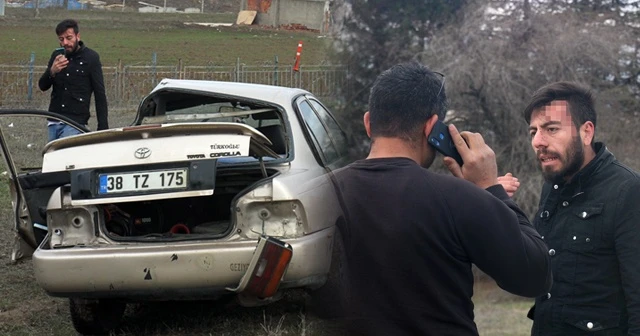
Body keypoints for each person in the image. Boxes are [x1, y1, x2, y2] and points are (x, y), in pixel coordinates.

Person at [329, 62, 552, 336]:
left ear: (368, 123)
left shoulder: (321, 194)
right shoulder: (460, 198)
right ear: (432, 128)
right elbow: (535, 276)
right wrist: (490, 189)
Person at [524, 82, 640, 335]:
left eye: (551, 129)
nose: (538, 141)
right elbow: (530, 275)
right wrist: (498, 203)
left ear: (586, 132)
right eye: (533, 132)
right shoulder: (552, 188)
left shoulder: (627, 190)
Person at [38, 19, 108, 141]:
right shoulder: (57, 56)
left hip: (75, 123)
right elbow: (43, 86)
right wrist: (52, 72)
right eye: (61, 39)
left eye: (69, 38)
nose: (65, 43)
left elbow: (99, 94)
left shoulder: (91, 58)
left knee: (66, 158)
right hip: (54, 120)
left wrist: (103, 127)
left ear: (78, 36)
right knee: (53, 158)